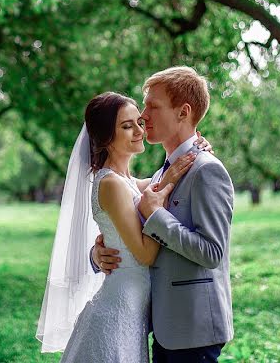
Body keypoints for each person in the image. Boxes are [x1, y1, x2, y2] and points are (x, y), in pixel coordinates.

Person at [36, 91, 202, 361]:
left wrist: (194, 146)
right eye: (127, 126)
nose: (139, 130)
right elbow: (145, 255)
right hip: (116, 313)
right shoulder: (111, 184)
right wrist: (155, 207)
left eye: (138, 122)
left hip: (131, 314)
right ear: (105, 138)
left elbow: (160, 181)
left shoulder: (128, 182)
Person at [93, 67, 234, 363]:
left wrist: (156, 215)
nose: (143, 116)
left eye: (152, 106)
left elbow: (212, 253)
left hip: (193, 330)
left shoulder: (207, 170)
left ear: (183, 112)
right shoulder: (162, 172)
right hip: (161, 327)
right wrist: (98, 253)